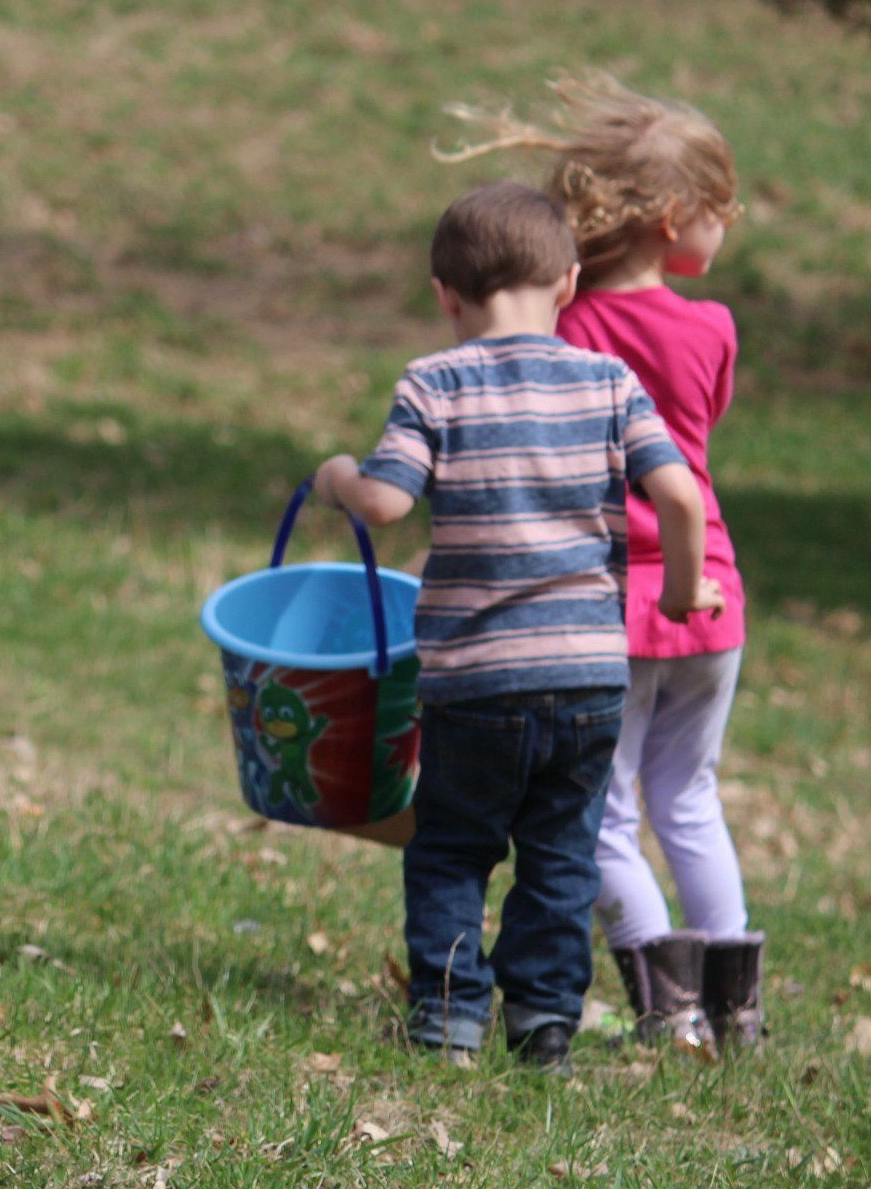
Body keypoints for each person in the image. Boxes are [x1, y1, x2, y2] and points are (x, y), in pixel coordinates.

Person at [313, 181, 719, 1072]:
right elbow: (682, 496)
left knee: (452, 849)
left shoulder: (434, 383)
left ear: (444, 295)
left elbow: (384, 503)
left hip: (475, 681)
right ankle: (544, 1028)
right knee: (562, 855)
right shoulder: (610, 382)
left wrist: (338, 475)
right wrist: (684, 594)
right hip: (588, 679)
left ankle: (449, 1022)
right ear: (569, 283)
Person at [443, 75, 760, 1054]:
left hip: (604, 607)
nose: (726, 227)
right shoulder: (712, 327)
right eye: (722, 209)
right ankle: (737, 1012)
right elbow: (699, 430)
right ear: (673, 218)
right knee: (690, 795)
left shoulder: (569, 326)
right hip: (709, 595)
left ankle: (669, 1011)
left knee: (607, 809)